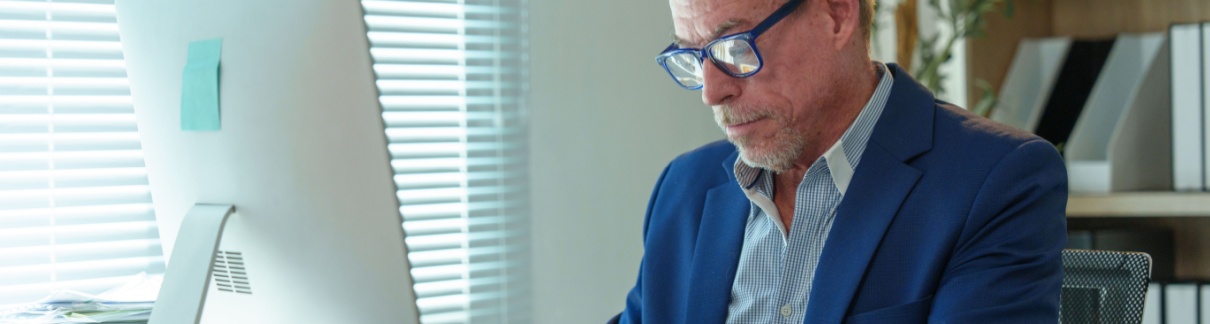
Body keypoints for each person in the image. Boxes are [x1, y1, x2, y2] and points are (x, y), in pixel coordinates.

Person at [611, 0, 1068, 322]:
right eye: (693, 57)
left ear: (836, 13)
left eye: (734, 49)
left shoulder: (995, 182)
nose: (712, 91)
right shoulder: (683, 190)